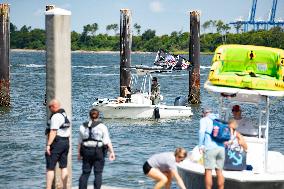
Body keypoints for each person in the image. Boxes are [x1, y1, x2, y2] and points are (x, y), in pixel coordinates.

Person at [78, 108, 115, 189]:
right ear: (98, 116)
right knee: (98, 173)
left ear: (89, 115)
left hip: (86, 150)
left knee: (85, 172)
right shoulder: (102, 126)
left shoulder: (83, 126)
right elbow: (107, 141)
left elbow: (80, 142)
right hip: (98, 151)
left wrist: (79, 154)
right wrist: (111, 152)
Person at [45, 99, 71, 189]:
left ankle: (48, 187)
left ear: (53, 106)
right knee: (63, 167)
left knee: (50, 167)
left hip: (57, 143)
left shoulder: (55, 117)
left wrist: (48, 145)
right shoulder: (64, 115)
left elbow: (53, 131)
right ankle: (65, 187)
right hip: (66, 142)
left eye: (49, 107)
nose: (49, 109)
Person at [199, 108, 225, 189]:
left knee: (208, 171)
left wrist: (200, 145)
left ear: (203, 113)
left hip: (210, 148)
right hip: (221, 148)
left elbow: (201, 132)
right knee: (219, 172)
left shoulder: (204, 120)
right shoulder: (219, 118)